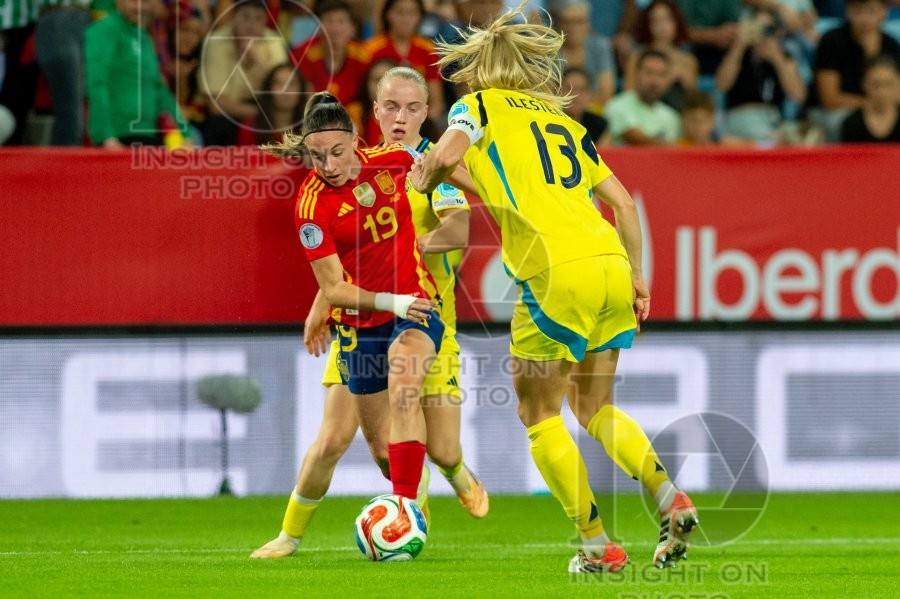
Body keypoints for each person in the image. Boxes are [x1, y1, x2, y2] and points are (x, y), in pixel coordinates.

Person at [410, 1, 698, 573]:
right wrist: (638, 275)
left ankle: (597, 547)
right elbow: (621, 203)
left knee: (538, 413)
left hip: (554, 274)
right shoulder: (564, 123)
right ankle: (670, 497)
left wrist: (427, 171)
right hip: (611, 265)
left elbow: (447, 153)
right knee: (594, 406)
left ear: (479, 71)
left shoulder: (478, 107)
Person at [251, 87, 486, 558]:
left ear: (356, 139)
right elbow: (335, 284)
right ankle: (291, 535)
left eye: (338, 152)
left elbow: (459, 203)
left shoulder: (398, 160)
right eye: (317, 156)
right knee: (370, 446)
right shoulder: (310, 206)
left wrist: (498, 192)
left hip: (418, 307)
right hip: (360, 323)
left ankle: (405, 511)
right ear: (376, 112)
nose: (330, 164)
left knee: (406, 385)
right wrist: (325, 304)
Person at [85, 0, 189, 147]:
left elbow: (159, 88)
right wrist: (106, 136)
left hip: (148, 135)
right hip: (118, 137)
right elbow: (96, 83)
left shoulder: (144, 37)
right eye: (134, 1)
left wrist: (186, 132)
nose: (141, 7)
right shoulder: (103, 30)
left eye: (147, 2)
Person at [807, 0, 900, 141]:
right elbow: (829, 98)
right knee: (844, 123)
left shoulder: (891, 46)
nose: (864, 18)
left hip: (879, 109)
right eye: (857, 11)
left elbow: (896, 92)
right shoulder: (832, 41)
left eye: (871, 11)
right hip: (837, 111)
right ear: (847, 12)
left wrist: (872, 54)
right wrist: (869, 104)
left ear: (883, 13)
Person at [199, 0, 288, 145]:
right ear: (234, 17)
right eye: (245, 17)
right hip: (229, 114)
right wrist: (258, 114)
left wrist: (256, 63)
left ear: (265, 20)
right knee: (218, 126)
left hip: (263, 109)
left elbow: (280, 94)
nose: (251, 26)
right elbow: (216, 105)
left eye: (258, 19)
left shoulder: (273, 40)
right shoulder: (216, 41)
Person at [715, 9, 807, 142]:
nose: (763, 34)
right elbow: (721, 85)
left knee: (806, 137)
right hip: (742, 116)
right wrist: (739, 46)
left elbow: (798, 95)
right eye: (759, 28)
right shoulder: (737, 53)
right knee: (765, 137)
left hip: (774, 118)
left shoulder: (783, 55)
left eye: (769, 29)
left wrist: (778, 60)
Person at [365, 0, 446, 122]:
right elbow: (364, 99)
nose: (405, 19)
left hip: (419, 123)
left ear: (420, 17)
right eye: (400, 12)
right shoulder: (371, 50)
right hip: (379, 120)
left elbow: (436, 103)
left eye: (412, 13)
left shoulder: (428, 50)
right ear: (388, 14)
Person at [290, 0, 369, 106]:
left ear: (352, 28)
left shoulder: (363, 56)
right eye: (329, 21)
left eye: (341, 21)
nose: (335, 29)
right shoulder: (303, 54)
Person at [35, 0, 92, 146]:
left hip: (86, 18)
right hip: (57, 17)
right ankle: (66, 165)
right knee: (71, 113)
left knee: (82, 107)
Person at [625, 0, 698, 111]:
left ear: (677, 22)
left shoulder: (689, 61)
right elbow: (628, 96)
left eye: (667, 20)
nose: (662, 26)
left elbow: (692, 102)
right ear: (648, 24)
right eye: (655, 21)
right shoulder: (636, 57)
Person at [605, 49, 682, 145]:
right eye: (649, 73)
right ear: (637, 74)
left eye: (661, 74)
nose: (654, 81)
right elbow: (635, 138)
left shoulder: (672, 116)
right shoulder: (618, 105)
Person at [551, 0, 617, 109]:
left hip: (593, 110)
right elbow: (547, 92)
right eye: (568, 22)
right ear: (558, 24)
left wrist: (579, 107)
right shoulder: (548, 48)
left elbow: (606, 93)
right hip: (557, 111)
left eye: (580, 21)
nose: (574, 28)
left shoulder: (600, 46)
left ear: (589, 23)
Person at [840, 54, 900, 142]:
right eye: (875, 84)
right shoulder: (851, 124)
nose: (881, 91)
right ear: (864, 84)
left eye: (887, 84)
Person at [561, 66, 610, 145]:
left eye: (581, 90)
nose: (575, 96)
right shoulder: (546, 120)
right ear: (557, 91)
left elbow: (604, 154)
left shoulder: (600, 125)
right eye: (569, 89)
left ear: (590, 94)